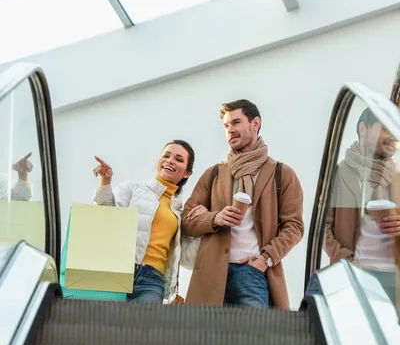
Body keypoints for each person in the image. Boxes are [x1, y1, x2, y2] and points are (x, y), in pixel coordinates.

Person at [181, 99, 304, 308]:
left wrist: (264, 259)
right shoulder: (214, 174)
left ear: (255, 123)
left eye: (236, 123)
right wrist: (215, 218)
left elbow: (294, 227)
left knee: (254, 338)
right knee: (206, 339)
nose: (230, 130)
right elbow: (185, 220)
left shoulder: (281, 174)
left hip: (253, 272)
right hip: (211, 272)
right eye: (226, 126)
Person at [92, 139, 204, 303]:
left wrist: (201, 226)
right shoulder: (132, 189)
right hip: (118, 271)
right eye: (166, 155)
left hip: (152, 281)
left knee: (144, 328)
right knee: (108, 326)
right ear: (158, 161)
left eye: (179, 159)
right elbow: (103, 214)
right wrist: (105, 181)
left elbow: (188, 259)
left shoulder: (179, 213)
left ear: (187, 173)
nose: (170, 160)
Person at [323, 108, 400, 303]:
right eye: (385, 128)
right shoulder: (338, 174)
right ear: (363, 129)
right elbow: (322, 229)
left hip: (395, 281)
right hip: (352, 278)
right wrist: (346, 262)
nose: (392, 136)